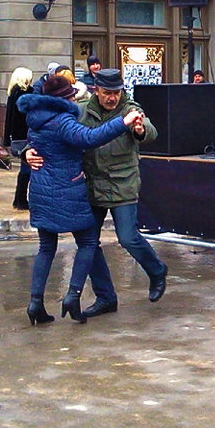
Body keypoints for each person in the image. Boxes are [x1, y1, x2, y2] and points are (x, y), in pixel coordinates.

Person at [17, 74, 142, 325]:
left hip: (41, 189)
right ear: (65, 98)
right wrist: (123, 121)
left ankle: (35, 303)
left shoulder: (36, 117)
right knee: (87, 242)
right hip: (67, 189)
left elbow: (30, 144)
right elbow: (89, 138)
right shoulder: (63, 120)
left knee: (46, 247)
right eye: (72, 93)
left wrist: (25, 152)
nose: (75, 96)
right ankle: (73, 296)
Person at [81, 69, 168, 313]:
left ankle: (157, 270)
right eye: (107, 93)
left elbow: (150, 131)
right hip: (93, 184)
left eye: (116, 93)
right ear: (95, 90)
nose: (112, 98)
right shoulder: (83, 111)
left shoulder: (130, 109)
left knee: (128, 237)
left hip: (123, 183)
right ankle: (105, 296)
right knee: (88, 244)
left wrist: (140, 130)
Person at [3, 67, 34, 210]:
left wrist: (7, 140)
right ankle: (21, 200)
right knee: (27, 169)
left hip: (17, 137)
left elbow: (8, 119)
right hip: (26, 136)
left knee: (25, 169)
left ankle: (18, 199)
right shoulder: (26, 93)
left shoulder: (12, 93)